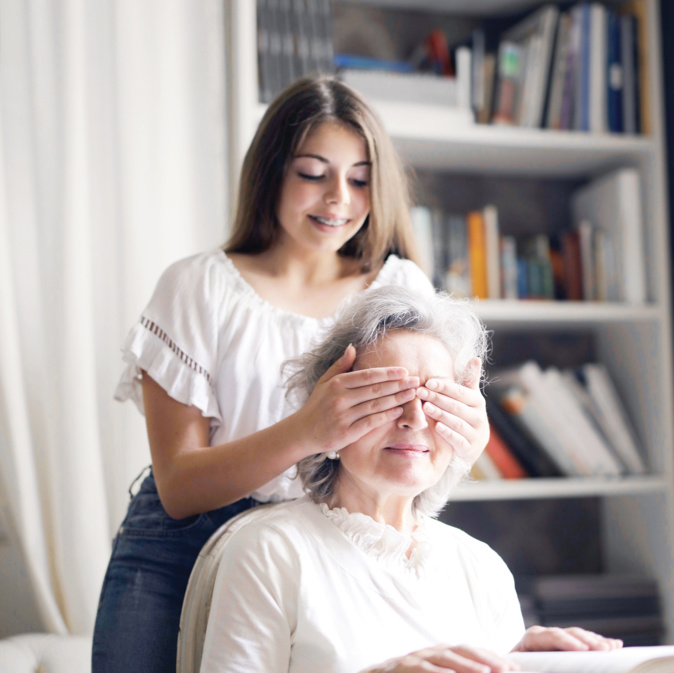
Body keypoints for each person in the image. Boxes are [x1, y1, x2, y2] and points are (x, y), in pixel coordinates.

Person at [91, 75, 492, 673]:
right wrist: (309, 431)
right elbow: (178, 489)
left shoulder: (399, 287)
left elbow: (415, 454)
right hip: (181, 544)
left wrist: (469, 443)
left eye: (359, 179)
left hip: (330, 540)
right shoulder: (197, 287)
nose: (339, 199)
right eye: (313, 173)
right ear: (272, 171)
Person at [199, 286, 623, 673]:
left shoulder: (481, 567)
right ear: (329, 413)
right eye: (388, 397)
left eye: (436, 399)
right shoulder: (270, 553)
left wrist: (529, 666)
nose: (415, 420)